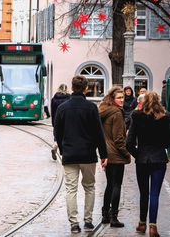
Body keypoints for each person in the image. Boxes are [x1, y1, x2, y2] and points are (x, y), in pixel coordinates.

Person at [54, 75, 108, 233]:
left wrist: (64, 151)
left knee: (71, 189)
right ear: (86, 89)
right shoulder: (91, 108)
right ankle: (88, 221)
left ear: (71, 88)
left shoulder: (62, 108)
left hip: (70, 154)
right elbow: (99, 133)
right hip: (88, 154)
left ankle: (74, 223)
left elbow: (57, 132)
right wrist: (103, 154)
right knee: (89, 187)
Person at [126, 92, 170, 237]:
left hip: (142, 159)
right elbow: (167, 142)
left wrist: (137, 154)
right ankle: (153, 227)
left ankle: (141, 223)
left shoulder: (137, 116)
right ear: (158, 101)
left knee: (143, 193)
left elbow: (129, 142)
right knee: (154, 194)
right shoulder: (166, 118)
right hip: (158, 158)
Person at [99, 86, 131, 228]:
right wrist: (127, 154)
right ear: (112, 99)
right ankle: (114, 217)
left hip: (106, 152)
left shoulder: (104, 110)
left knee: (110, 185)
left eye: (123, 97)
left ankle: (105, 215)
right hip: (116, 154)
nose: (122, 100)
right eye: (119, 98)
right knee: (116, 185)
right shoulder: (117, 113)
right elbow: (119, 139)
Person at [50, 83, 70, 160]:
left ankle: (55, 145)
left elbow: (52, 111)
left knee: (57, 136)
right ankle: (65, 154)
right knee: (65, 137)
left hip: (56, 120)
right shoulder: (69, 98)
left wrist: (53, 123)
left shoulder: (54, 99)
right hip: (66, 121)